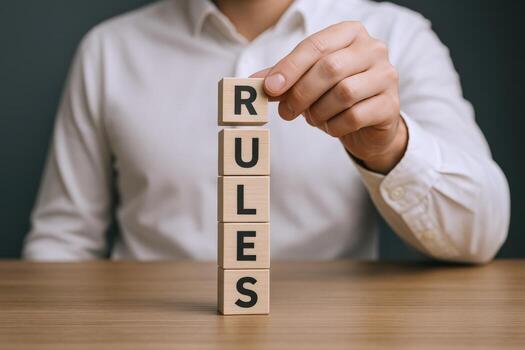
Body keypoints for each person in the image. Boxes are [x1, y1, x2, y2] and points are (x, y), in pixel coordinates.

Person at [23, 0, 510, 263]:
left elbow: (480, 237)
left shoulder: (397, 36)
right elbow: (62, 241)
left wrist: (389, 145)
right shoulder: (109, 49)